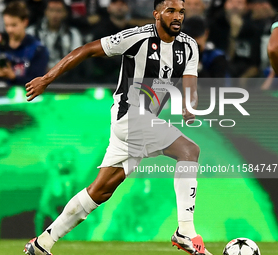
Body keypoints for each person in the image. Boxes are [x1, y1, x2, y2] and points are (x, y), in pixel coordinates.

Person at [23, 1, 212, 255]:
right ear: (156, 14)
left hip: (142, 123)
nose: (177, 17)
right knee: (189, 150)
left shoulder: (189, 46)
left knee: (100, 191)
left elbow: (190, 86)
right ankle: (185, 231)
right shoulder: (137, 37)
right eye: (170, 11)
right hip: (129, 117)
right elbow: (87, 49)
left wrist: (190, 105)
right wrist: (46, 79)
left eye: (181, 12)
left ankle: (42, 242)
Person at [0, 1, 49, 87]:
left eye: (13, 25)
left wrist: (13, 77)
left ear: (25, 22)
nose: (9, 30)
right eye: (6, 25)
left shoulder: (37, 50)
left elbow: (39, 83)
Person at [208, 0, 261, 79]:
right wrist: (233, 34)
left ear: (246, 7)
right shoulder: (215, 26)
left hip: (246, 74)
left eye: (239, 3)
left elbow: (256, 64)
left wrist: (244, 78)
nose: (235, 6)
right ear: (225, 5)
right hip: (222, 72)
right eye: (231, 2)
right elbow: (225, 59)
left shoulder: (253, 28)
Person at [26, 0, 83, 70]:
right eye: (51, 10)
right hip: (38, 75)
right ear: (45, 12)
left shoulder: (73, 34)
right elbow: (26, 58)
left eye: (58, 11)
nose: (55, 15)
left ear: (65, 13)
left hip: (66, 77)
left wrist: (56, 71)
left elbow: (78, 59)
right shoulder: (31, 32)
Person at [91, 0, 132, 83]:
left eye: (122, 4)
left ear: (128, 8)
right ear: (109, 8)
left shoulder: (133, 30)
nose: (119, 6)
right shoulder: (100, 30)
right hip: (103, 75)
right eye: (115, 3)